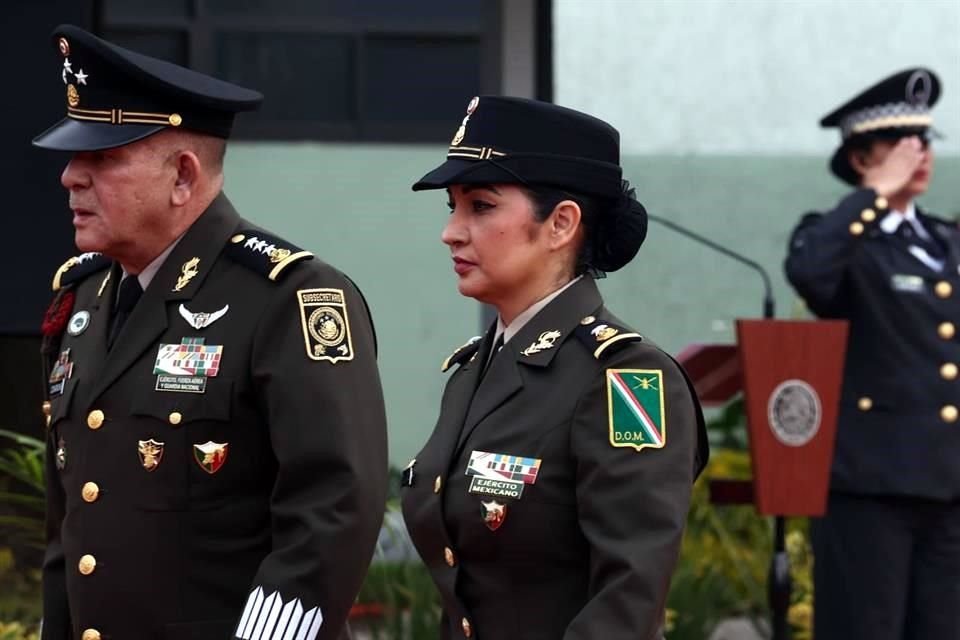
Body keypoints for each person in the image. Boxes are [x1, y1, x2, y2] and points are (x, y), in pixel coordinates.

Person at [34, 24, 388, 640]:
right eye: (73, 156)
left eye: (102, 158)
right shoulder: (82, 300)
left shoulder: (289, 298)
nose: (70, 176)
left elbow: (331, 512)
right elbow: (71, 529)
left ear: (183, 176)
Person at [399, 96, 709, 640]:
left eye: (481, 205)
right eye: (451, 206)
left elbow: (626, 606)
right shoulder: (474, 369)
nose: (451, 230)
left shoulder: (625, 378)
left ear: (562, 223)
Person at [785, 68, 959, 640]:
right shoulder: (839, 236)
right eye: (903, 143)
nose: (921, 154)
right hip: (872, 482)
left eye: (926, 141)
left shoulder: (944, 241)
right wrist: (875, 195)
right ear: (863, 159)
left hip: (948, 483)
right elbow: (810, 273)